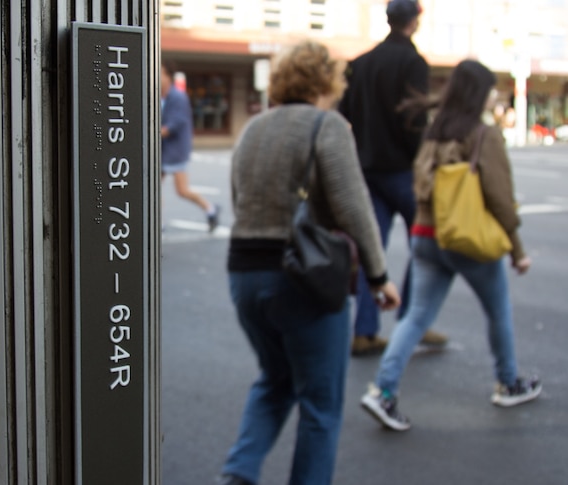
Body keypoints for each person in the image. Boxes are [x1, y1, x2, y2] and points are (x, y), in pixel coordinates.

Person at [218, 41, 400, 485]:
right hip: (301, 277)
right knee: (321, 404)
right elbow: (354, 207)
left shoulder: (252, 130)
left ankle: (238, 475)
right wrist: (378, 276)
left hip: (244, 275)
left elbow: (242, 200)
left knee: (276, 379)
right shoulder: (328, 126)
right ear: (327, 82)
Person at [360, 60, 541, 432]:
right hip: (466, 239)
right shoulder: (483, 136)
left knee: (416, 317)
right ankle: (508, 382)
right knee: (497, 310)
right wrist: (517, 250)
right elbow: (500, 199)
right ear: (479, 94)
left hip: (426, 236)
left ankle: (384, 392)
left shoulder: (433, 133)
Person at [338, 0, 447, 356]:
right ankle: (413, 320)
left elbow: (345, 112)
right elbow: (414, 120)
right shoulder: (412, 63)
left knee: (374, 248)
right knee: (425, 246)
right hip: (403, 169)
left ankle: (364, 330)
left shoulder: (361, 63)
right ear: (414, 21)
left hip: (368, 168)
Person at [160, 61, 220, 233]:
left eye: (160, 73)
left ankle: (210, 209)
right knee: (153, 188)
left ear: (168, 76)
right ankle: (157, 222)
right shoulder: (158, 96)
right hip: (162, 150)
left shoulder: (178, 97)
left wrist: (155, 134)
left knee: (182, 191)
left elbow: (175, 124)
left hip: (175, 150)